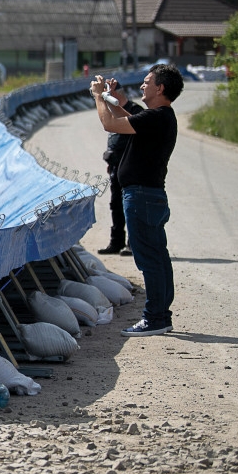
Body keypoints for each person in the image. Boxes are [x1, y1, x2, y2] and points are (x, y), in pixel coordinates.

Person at [89, 64, 183, 337]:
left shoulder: (158, 117)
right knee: (158, 257)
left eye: (147, 82)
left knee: (149, 260)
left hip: (141, 196)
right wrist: (111, 99)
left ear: (160, 88)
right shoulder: (160, 117)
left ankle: (154, 318)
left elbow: (110, 124)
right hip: (148, 196)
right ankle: (161, 315)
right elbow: (127, 117)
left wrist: (97, 96)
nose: (142, 86)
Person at [98, 97, 144, 256]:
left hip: (131, 167)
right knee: (116, 205)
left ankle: (133, 244)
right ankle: (116, 242)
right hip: (116, 166)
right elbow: (114, 140)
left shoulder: (136, 111)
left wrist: (99, 97)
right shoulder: (114, 111)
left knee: (131, 207)